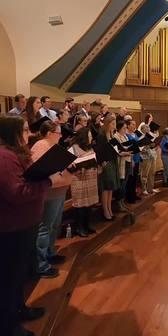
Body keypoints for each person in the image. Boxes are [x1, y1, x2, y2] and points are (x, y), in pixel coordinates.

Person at [0, 115, 65, 336]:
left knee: (18, 276)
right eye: (25, 130)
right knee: (8, 280)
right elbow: (18, 192)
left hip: (24, 224)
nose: (29, 134)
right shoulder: (5, 157)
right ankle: (8, 327)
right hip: (11, 228)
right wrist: (47, 181)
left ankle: (19, 309)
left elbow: (28, 180)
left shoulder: (16, 154)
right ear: (11, 133)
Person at [31, 121, 71, 278]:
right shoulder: (41, 146)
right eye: (58, 133)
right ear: (49, 133)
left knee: (54, 225)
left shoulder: (53, 147)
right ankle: (41, 264)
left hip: (59, 191)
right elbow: (41, 170)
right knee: (45, 227)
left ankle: (50, 252)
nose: (61, 136)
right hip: (49, 193)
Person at [69, 128, 98, 237]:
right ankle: (79, 227)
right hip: (79, 179)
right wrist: (79, 163)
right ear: (83, 137)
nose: (91, 138)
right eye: (89, 136)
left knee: (89, 204)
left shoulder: (90, 148)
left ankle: (87, 225)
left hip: (90, 179)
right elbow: (69, 164)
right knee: (80, 205)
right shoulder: (73, 148)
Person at [95, 114, 120, 220]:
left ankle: (109, 208)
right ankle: (105, 210)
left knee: (111, 188)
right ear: (107, 124)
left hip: (113, 162)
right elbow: (99, 151)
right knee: (106, 188)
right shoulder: (101, 135)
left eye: (115, 124)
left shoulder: (112, 135)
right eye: (112, 124)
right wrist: (101, 163)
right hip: (106, 163)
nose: (114, 126)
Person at [113, 120, 132, 212]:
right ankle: (119, 203)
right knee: (121, 183)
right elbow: (117, 152)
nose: (126, 129)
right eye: (124, 128)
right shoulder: (116, 137)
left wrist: (131, 150)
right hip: (121, 162)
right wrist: (127, 152)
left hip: (127, 160)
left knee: (125, 183)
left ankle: (122, 202)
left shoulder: (125, 136)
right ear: (119, 128)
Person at [125, 119, 142, 204]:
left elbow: (139, 144)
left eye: (135, 124)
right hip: (131, 159)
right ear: (127, 125)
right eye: (132, 124)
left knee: (135, 178)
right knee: (130, 179)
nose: (134, 126)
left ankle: (134, 194)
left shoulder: (135, 134)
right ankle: (129, 197)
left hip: (137, 157)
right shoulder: (126, 135)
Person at [139, 124, 156, 195]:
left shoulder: (151, 137)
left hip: (152, 156)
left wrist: (154, 145)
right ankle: (144, 189)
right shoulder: (140, 137)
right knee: (144, 174)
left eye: (148, 127)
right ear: (142, 129)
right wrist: (147, 146)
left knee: (152, 173)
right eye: (146, 127)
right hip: (145, 157)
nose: (148, 128)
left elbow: (153, 146)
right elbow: (140, 148)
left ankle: (150, 188)